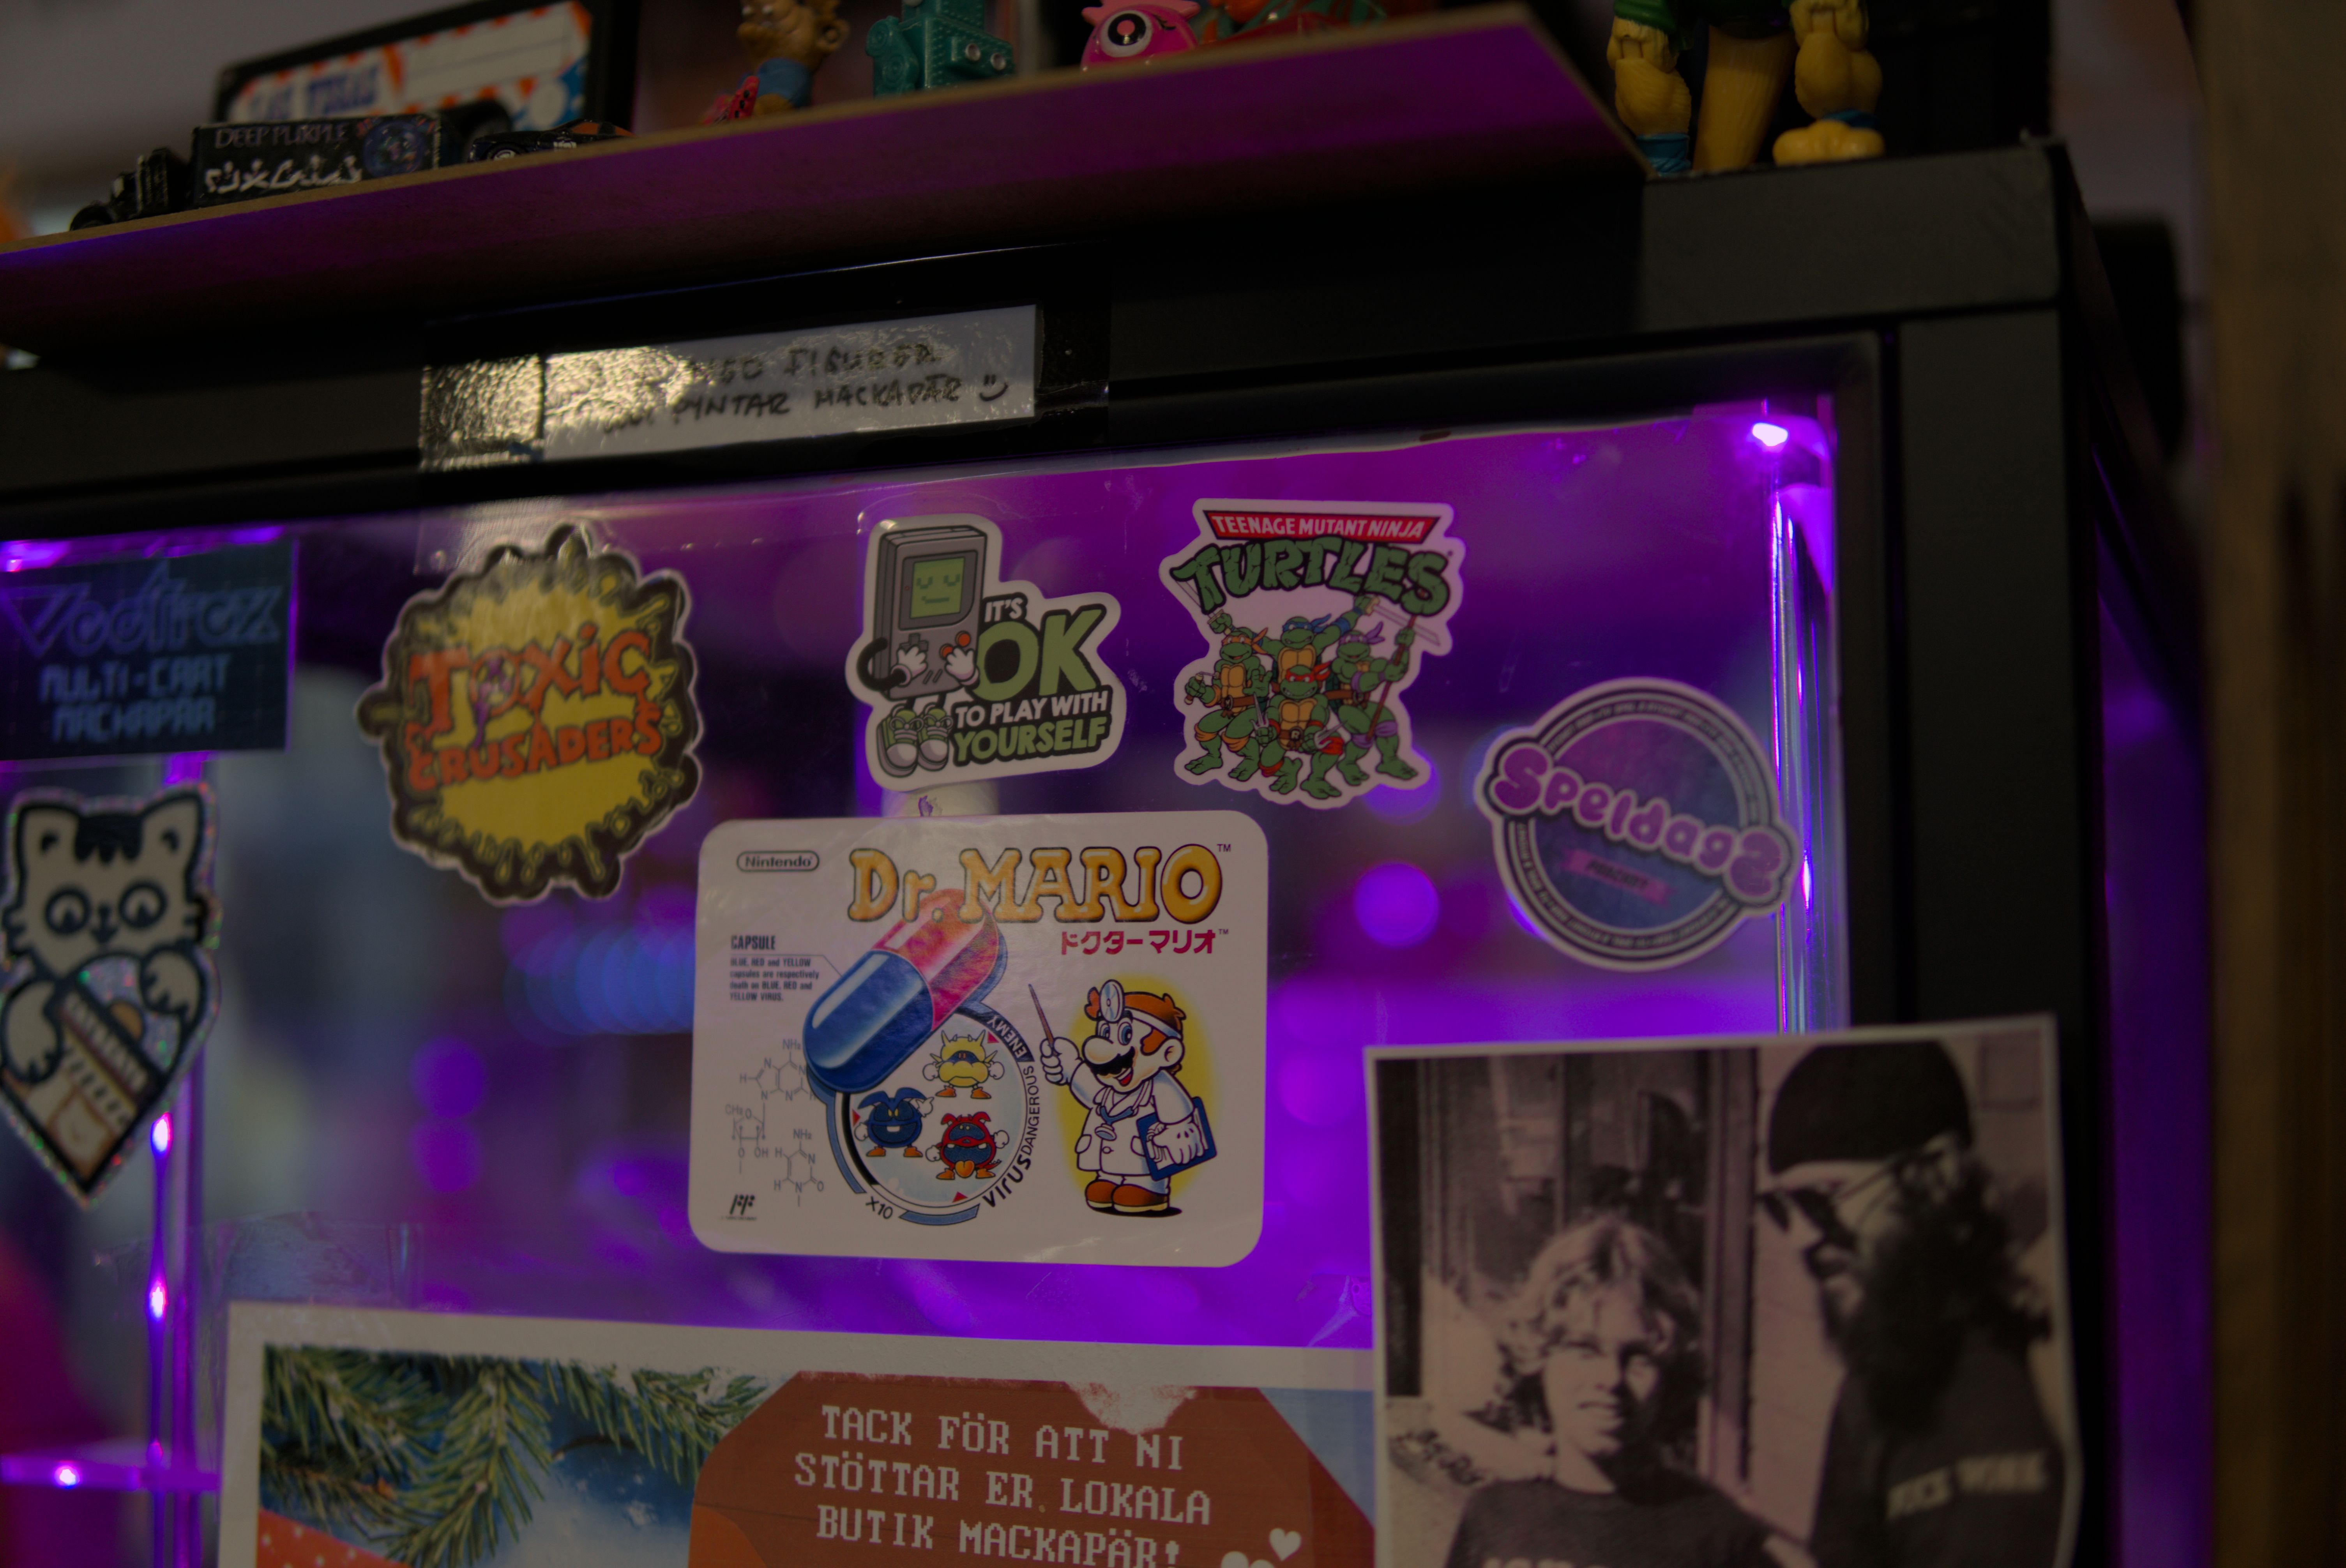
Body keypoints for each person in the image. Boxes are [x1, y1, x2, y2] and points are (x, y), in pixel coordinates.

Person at [1763, 1042, 2066, 1568]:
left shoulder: (2054, 1352)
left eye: (1822, 1199)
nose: (1800, 1238)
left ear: (1936, 1175)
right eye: (1781, 1210)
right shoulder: (1867, 1397)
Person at [1444, 1215, 1774, 1568]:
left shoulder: (1720, 1538)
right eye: (1585, 1350)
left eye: (1639, 1358)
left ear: (1672, 1374)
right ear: (1540, 1357)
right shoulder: (1494, 1516)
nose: (1611, 1378)